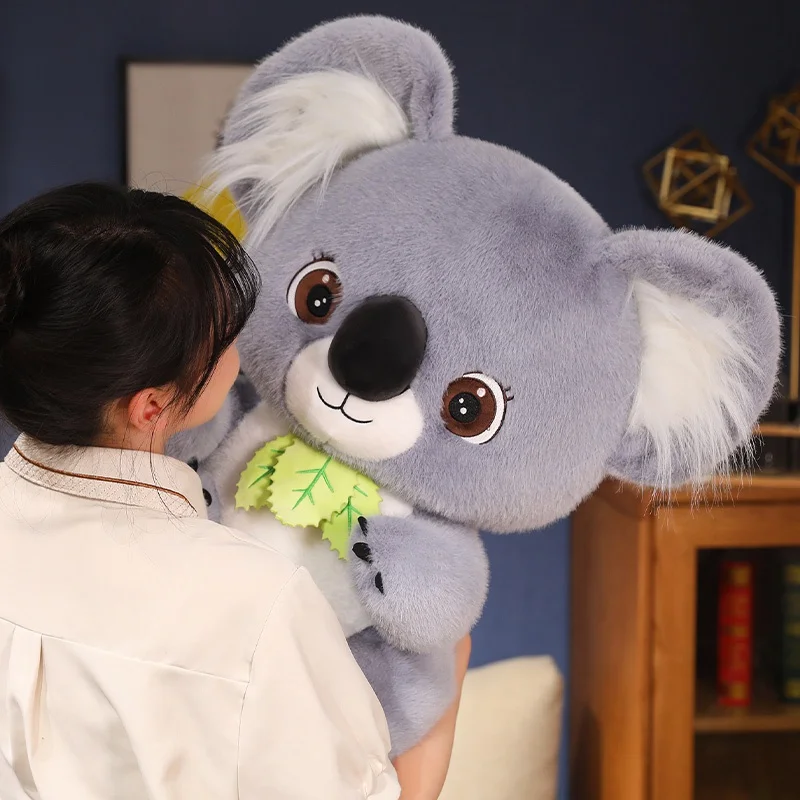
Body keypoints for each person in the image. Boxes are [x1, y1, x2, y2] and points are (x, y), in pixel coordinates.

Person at [0, 183, 470, 799]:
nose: (242, 346)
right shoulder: (254, 603)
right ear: (151, 405)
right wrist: (445, 682)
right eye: (224, 336)